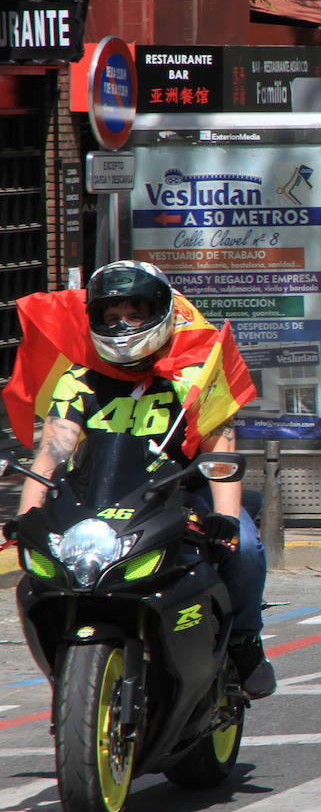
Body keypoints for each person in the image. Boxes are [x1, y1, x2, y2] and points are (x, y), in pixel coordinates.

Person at [14, 261, 276, 699]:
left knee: (245, 547)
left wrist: (226, 521)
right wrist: (26, 519)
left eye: (135, 313)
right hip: (97, 501)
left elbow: (220, 454)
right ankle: (73, 682)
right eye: (111, 316)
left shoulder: (193, 373)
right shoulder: (77, 378)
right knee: (40, 576)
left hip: (181, 496)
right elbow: (50, 456)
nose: (122, 325)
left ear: (161, 312)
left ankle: (245, 639)